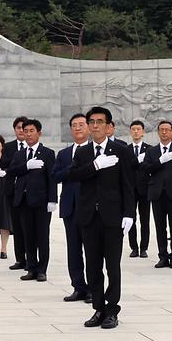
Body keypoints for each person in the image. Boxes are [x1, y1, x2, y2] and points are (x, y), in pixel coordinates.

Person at [66, 106, 135, 329]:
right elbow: (73, 175)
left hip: (113, 217)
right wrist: (94, 165)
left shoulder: (121, 150)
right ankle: (98, 307)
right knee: (93, 265)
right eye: (91, 122)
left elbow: (128, 185)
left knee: (112, 266)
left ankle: (112, 309)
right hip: (88, 216)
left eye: (99, 122)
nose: (95, 125)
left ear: (108, 126)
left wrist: (129, 214)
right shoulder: (83, 152)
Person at [9, 118, 57, 282]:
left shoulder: (48, 153)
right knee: (27, 235)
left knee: (42, 236)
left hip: (42, 202)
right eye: (25, 131)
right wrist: (27, 165)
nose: (27, 134)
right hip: (23, 200)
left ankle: (42, 269)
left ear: (39, 133)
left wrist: (52, 199)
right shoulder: (20, 153)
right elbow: (12, 171)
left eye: (31, 131)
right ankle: (31, 267)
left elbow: (52, 178)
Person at [53, 113, 91, 302]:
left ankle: (93, 288)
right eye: (74, 125)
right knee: (73, 250)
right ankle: (78, 286)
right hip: (70, 207)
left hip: (91, 208)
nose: (78, 128)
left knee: (92, 250)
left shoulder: (95, 151)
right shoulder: (64, 154)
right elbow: (55, 176)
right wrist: (71, 168)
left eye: (81, 124)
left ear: (89, 127)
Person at [142, 120, 172, 269]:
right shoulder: (151, 151)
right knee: (160, 227)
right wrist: (160, 161)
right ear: (158, 132)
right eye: (161, 130)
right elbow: (146, 169)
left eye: (167, 130)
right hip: (156, 193)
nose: (164, 132)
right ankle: (163, 256)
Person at [2, 116, 28, 271]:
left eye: (24, 128)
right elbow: (5, 164)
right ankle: (20, 259)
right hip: (13, 192)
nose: (21, 130)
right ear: (15, 130)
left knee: (29, 228)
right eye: (18, 128)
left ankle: (31, 258)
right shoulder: (9, 147)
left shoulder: (35, 147)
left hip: (30, 193)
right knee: (17, 227)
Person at [127, 120, 151, 258]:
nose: (136, 131)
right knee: (131, 219)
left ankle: (144, 248)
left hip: (145, 189)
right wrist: (137, 160)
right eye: (133, 129)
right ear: (131, 132)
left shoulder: (149, 149)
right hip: (130, 189)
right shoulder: (126, 149)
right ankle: (134, 247)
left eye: (138, 129)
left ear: (143, 132)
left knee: (145, 220)